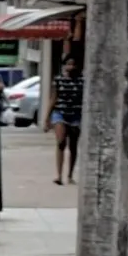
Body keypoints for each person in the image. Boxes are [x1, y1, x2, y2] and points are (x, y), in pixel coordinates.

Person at [50, 56, 84, 185]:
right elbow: (53, 98)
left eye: (73, 64)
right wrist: (47, 117)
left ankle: (69, 175)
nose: (70, 67)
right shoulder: (59, 80)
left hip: (76, 115)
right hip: (60, 113)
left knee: (73, 145)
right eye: (68, 64)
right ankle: (59, 176)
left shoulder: (82, 81)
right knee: (61, 143)